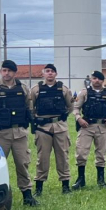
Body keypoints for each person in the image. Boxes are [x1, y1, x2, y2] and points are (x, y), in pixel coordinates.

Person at [0, 59, 38, 206]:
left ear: (14, 72)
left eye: (9, 71)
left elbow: (29, 108)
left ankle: (27, 195)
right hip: (1, 134)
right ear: (1, 71)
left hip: (19, 133)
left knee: (22, 164)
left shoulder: (23, 88)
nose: (6, 73)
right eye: (4, 70)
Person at [28, 63, 74, 196]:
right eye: (47, 71)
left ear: (56, 74)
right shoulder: (36, 89)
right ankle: (39, 188)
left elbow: (70, 106)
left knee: (63, 156)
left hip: (60, 127)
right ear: (43, 73)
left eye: (52, 71)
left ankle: (65, 186)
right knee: (42, 158)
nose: (50, 73)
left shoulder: (63, 89)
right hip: (43, 128)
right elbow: (31, 107)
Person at [72, 71, 106, 189]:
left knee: (101, 153)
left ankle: (101, 180)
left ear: (103, 80)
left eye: (99, 79)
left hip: (102, 126)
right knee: (81, 152)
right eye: (94, 78)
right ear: (91, 80)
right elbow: (76, 108)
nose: (96, 81)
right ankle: (81, 179)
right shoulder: (84, 93)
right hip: (86, 126)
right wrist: (79, 119)